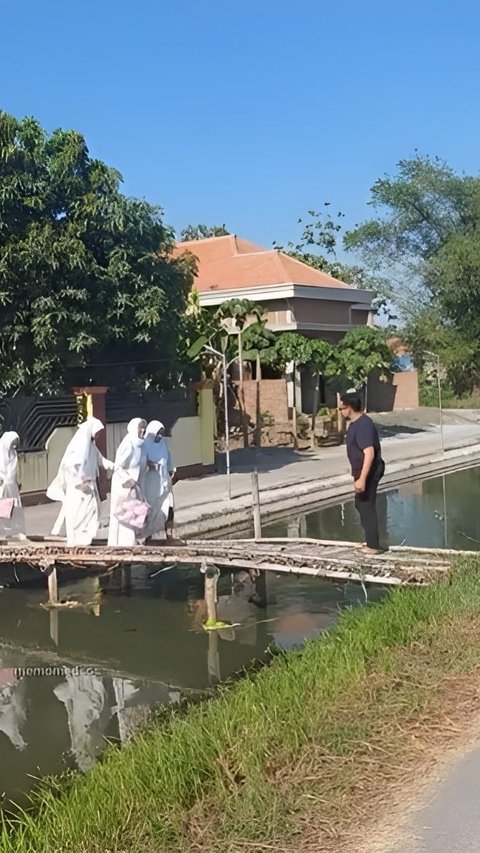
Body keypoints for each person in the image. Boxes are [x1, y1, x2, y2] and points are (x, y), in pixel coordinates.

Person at [46, 418, 113, 546]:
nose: (97, 435)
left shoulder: (92, 447)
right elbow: (70, 467)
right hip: (78, 490)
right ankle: (77, 542)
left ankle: (86, 541)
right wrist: (80, 482)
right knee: (78, 515)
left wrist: (116, 466)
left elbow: (101, 461)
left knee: (92, 513)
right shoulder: (77, 447)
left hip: (90, 488)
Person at [340, 391, 386, 554]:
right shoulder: (355, 424)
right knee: (361, 504)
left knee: (365, 505)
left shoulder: (364, 424)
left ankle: (373, 546)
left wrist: (362, 479)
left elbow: (369, 453)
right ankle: (370, 541)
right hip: (363, 471)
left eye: (341, 407)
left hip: (371, 470)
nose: (340, 410)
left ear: (348, 407)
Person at [107, 418, 147, 547]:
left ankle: (132, 541)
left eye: (144, 427)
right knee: (124, 512)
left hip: (134, 484)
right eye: (140, 427)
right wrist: (127, 479)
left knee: (133, 512)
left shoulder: (140, 445)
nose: (143, 430)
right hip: (123, 484)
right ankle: (122, 543)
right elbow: (119, 466)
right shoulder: (128, 444)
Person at [140, 420, 176, 543]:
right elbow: (139, 462)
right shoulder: (144, 445)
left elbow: (169, 459)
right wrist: (148, 464)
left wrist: (171, 471)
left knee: (168, 508)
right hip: (151, 483)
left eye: (162, 433)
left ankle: (169, 536)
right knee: (150, 510)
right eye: (158, 434)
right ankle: (147, 536)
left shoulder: (163, 445)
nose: (160, 436)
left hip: (164, 482)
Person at [0, 432, 26, 540]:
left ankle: (16, 531)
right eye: (13, 443)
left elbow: (14, 470)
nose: (14, 446)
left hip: (12, 486)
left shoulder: (13, 454)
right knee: (3, 508)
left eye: (16, 443)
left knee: (14, 508)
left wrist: (17, 481)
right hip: (2, 486)